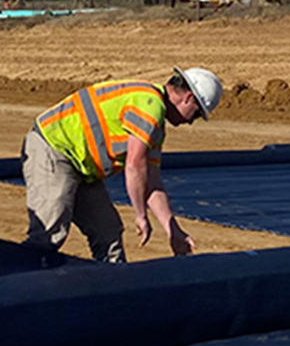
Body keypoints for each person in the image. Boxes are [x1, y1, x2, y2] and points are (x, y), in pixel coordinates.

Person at [22, 68, 222, 263]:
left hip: (82, 167)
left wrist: (174, 231)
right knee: (49, 233)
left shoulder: (155, 122)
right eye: (196, 114)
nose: (191, 122)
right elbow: (135, 166)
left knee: (107, 232)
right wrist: (140, 215)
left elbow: (152, 182)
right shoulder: (149, 105)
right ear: (188, 98)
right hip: (54, 148)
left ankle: (111, 290)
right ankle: (16, 286)